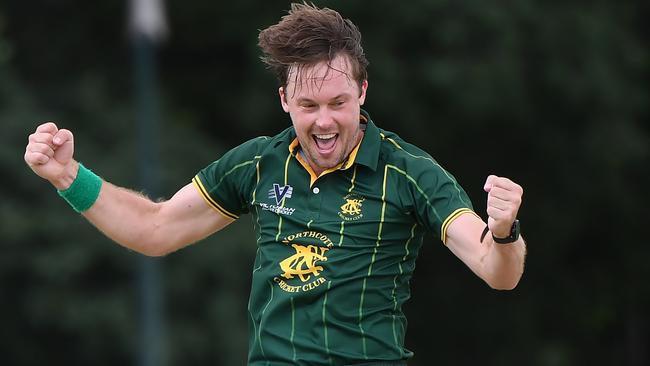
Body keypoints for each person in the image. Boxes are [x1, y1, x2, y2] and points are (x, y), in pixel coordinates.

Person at [24, 3, 526, 366]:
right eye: (308, 106)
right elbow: (155, 229)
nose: (324, 122)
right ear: (284, 99)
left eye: (338, 102)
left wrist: (504, 231)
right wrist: (70, 177)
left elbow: (495, 269)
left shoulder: (409, 172)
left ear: (363, 92)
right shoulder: (258, 164)